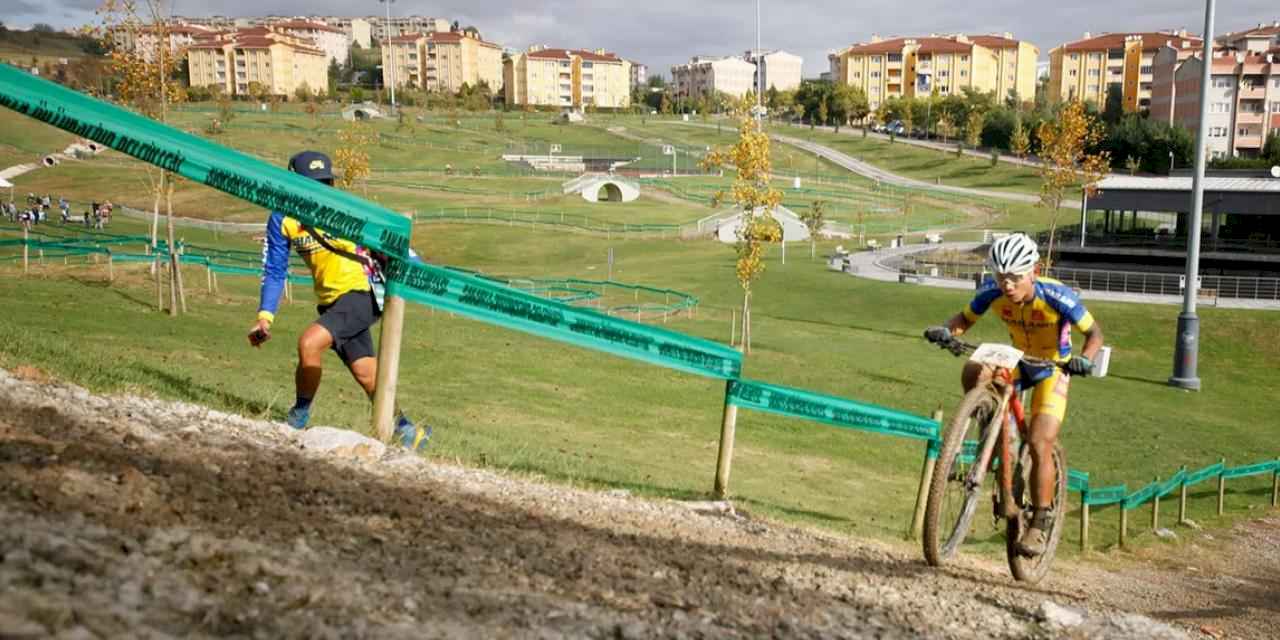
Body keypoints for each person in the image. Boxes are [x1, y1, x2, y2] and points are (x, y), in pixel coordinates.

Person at [924, 233, 1104, 557]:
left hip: (1053, 367)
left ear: (1034, 271)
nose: (1007, 285)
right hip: (1018, 359)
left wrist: (1085, 359)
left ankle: (1040, 521)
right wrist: (947, 331)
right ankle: (988, 427)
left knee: (1038, 442)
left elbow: (1094, 333)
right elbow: (964, 319)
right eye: (1000, 277)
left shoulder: (1057, 296)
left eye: (1015, 277)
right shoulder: (991, 292)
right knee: (973, 368)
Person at [247, 150, 430, 451]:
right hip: (331, 301)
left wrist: (421, 271)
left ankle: (297, 418)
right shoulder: (282, 219)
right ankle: (408, 430)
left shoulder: (349, 210)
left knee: (309, 343)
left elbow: (393, 243)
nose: (321, 189)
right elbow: (275, 270)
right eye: (312, 183)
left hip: (363, 294)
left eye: (326, 182)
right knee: (366, 373)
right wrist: (265, 317)